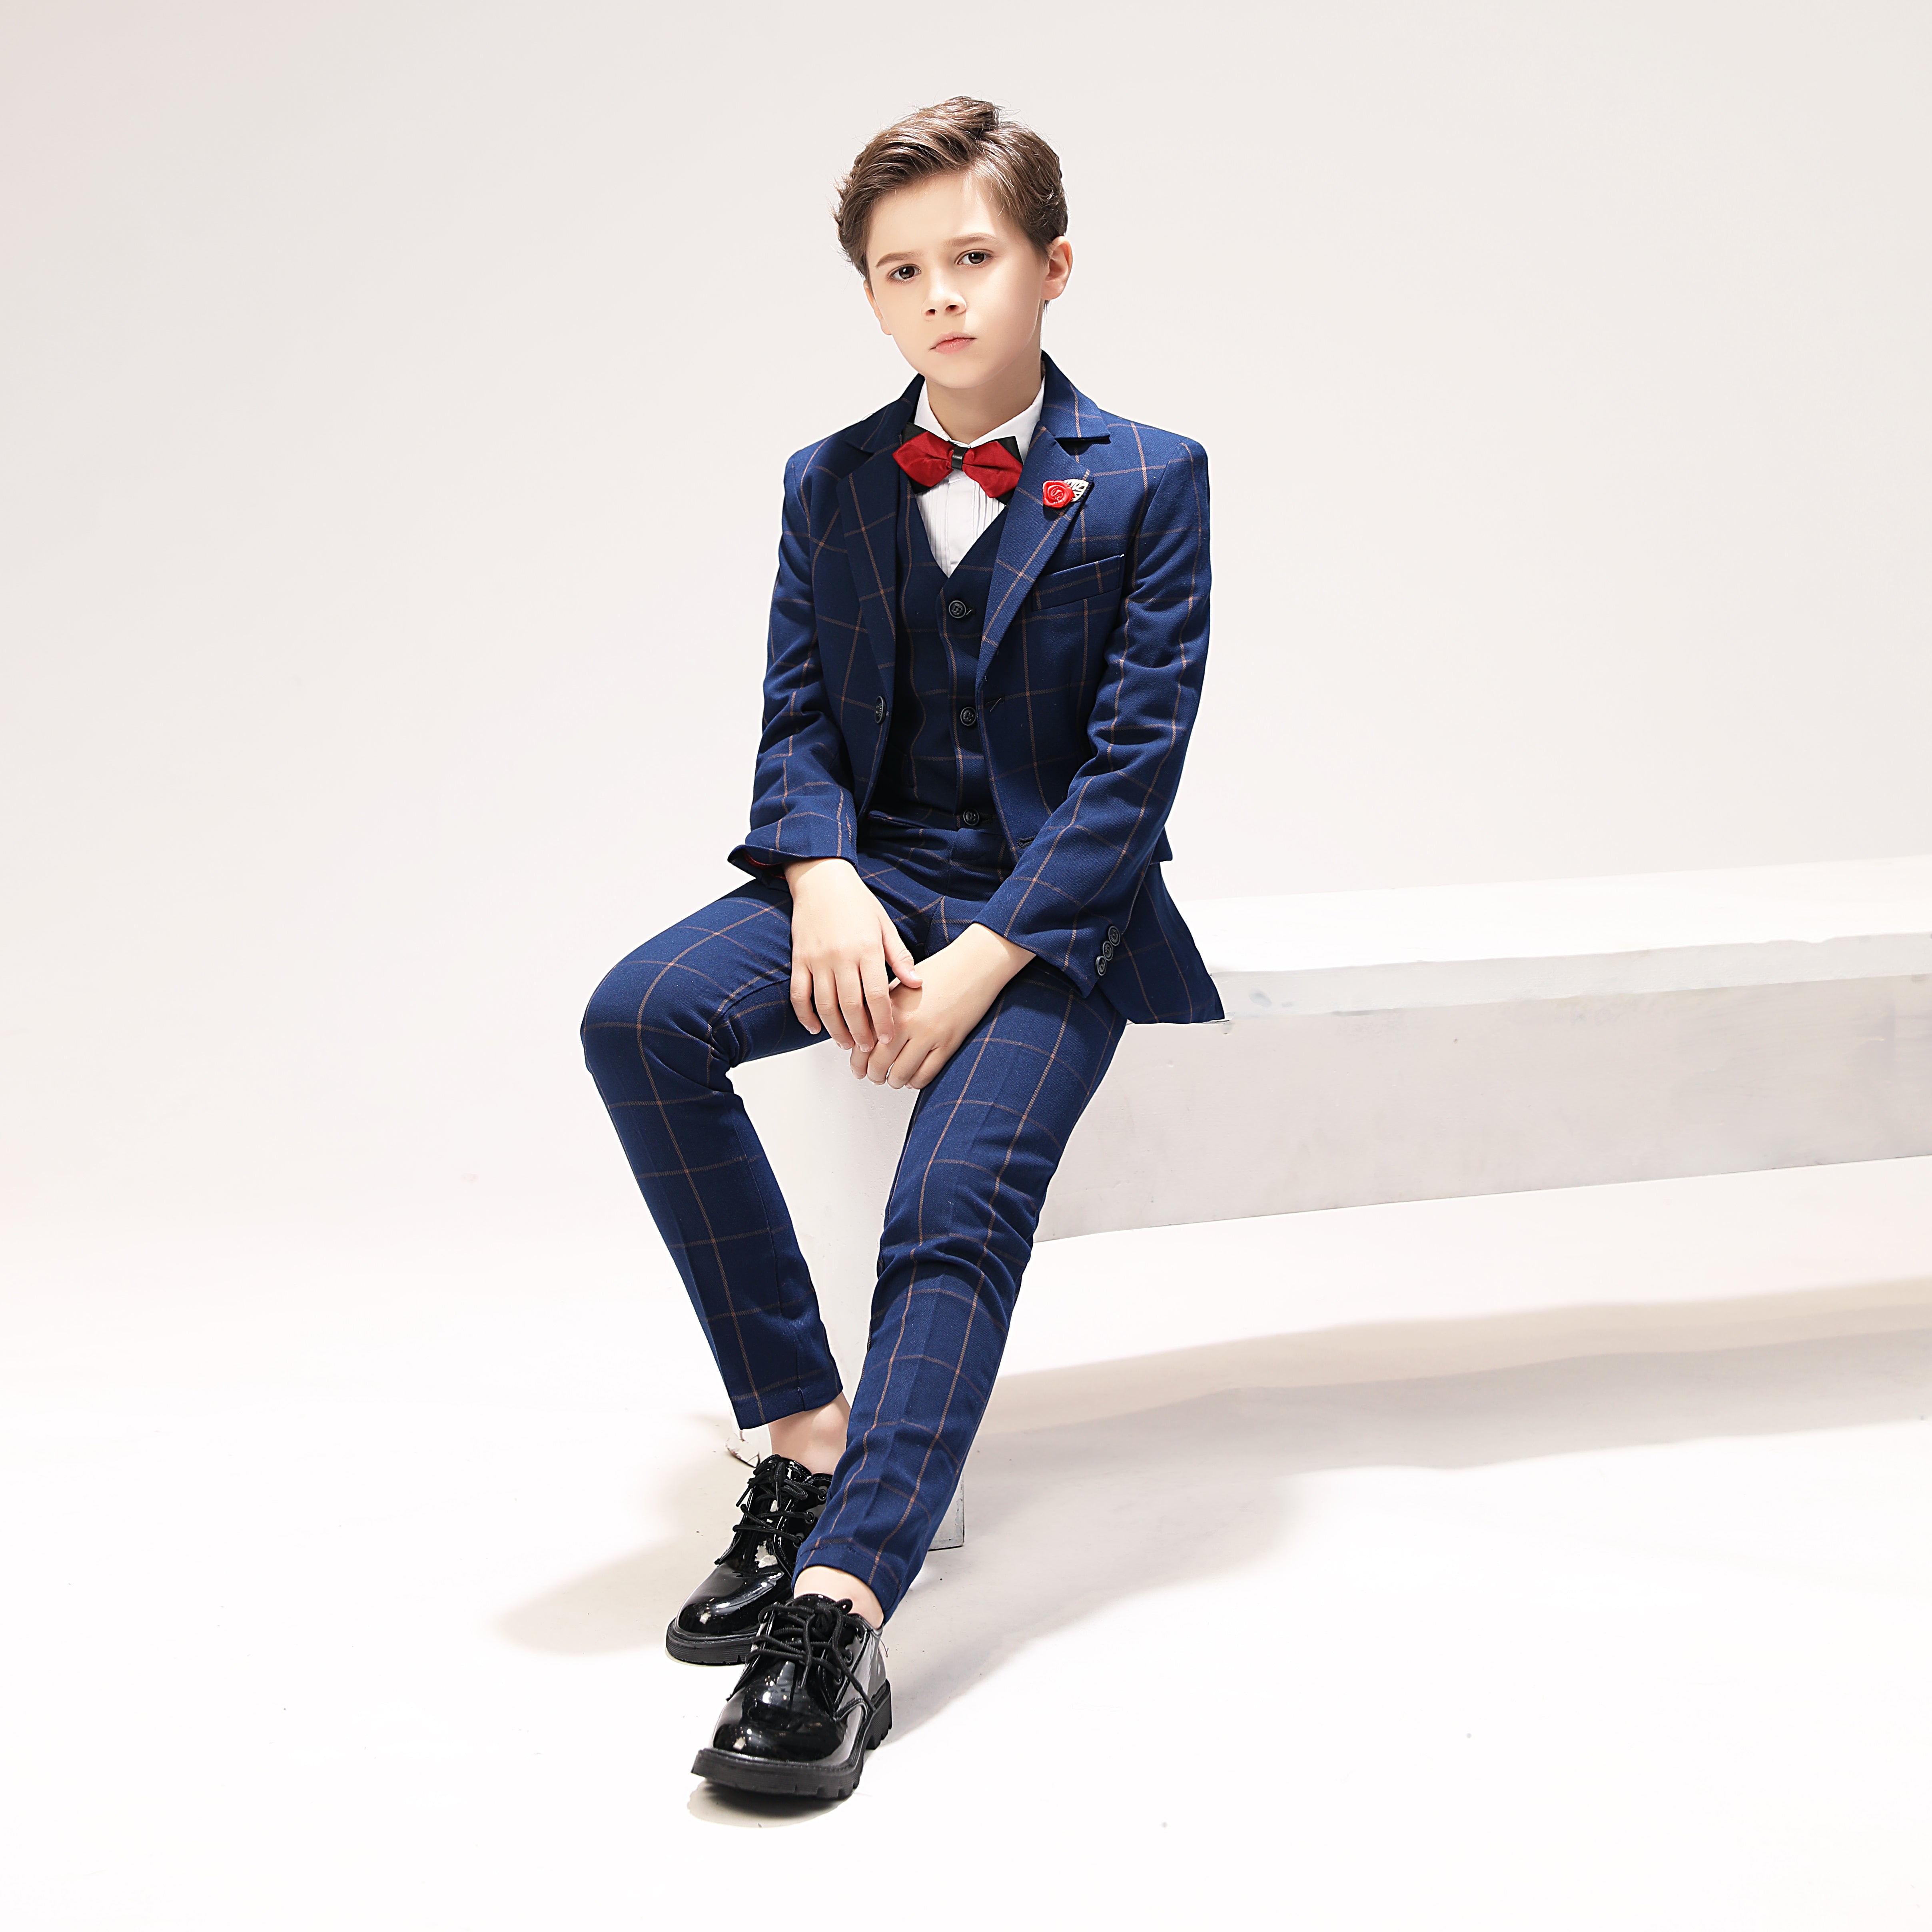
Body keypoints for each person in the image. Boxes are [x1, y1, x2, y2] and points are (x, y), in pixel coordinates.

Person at [581, 96, 1222, 1800]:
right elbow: (796, 714)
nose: (941, 294)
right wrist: (818, 873)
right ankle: (805, 1437)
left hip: (1057, 918)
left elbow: (1132, 770)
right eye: (900, 270)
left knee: (948, 1201)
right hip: (873, 877)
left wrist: (987, 957)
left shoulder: (1150, 477)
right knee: (638, 1016)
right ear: (868, 294)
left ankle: (842, 1605)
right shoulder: (832, 481)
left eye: (974, 258)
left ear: (1051, 268)